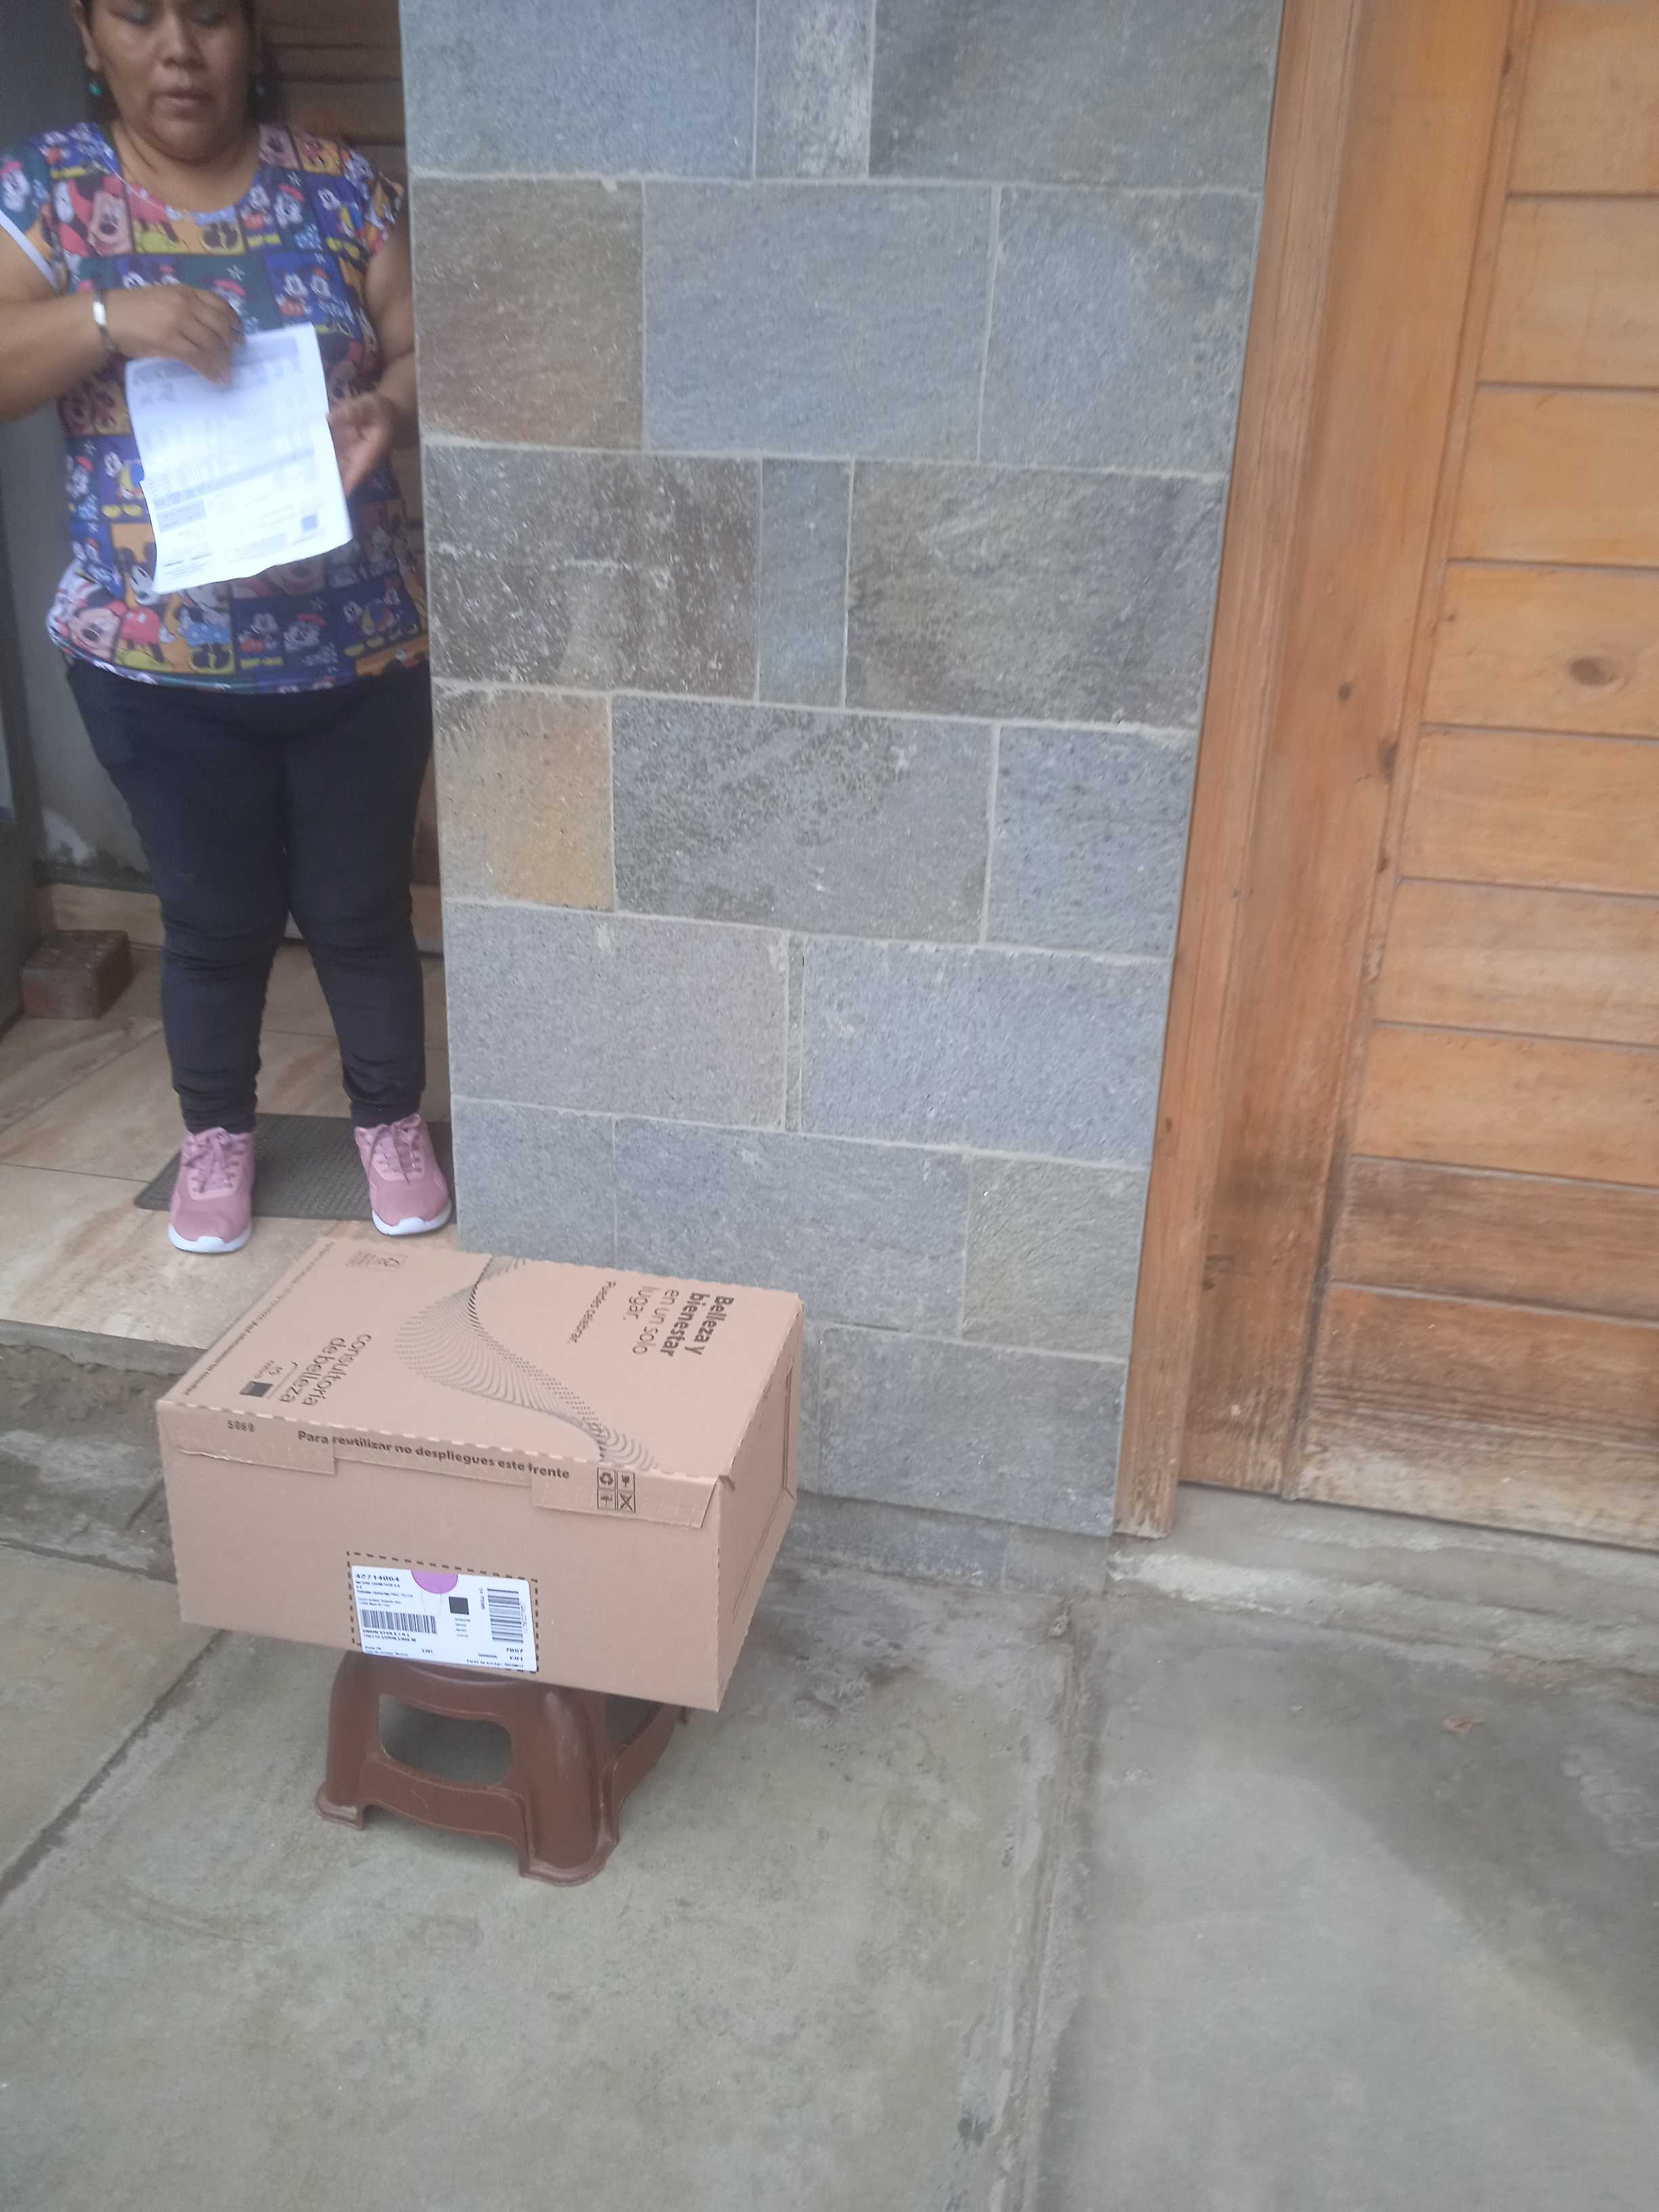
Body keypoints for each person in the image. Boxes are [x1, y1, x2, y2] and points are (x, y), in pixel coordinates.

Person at [0, 0, 450, 1253]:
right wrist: (108, 317)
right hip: (156, 669)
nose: (178, 48)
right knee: (212, 919)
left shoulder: (338, 187)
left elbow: (428, 350)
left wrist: (389, 409)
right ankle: (217, 1136)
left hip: (360, 650)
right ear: (88, 35)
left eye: (208, 14)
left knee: (361, 909)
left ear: (251, 33)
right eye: (138, 14)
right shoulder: (53, 195)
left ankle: (388, 1125)